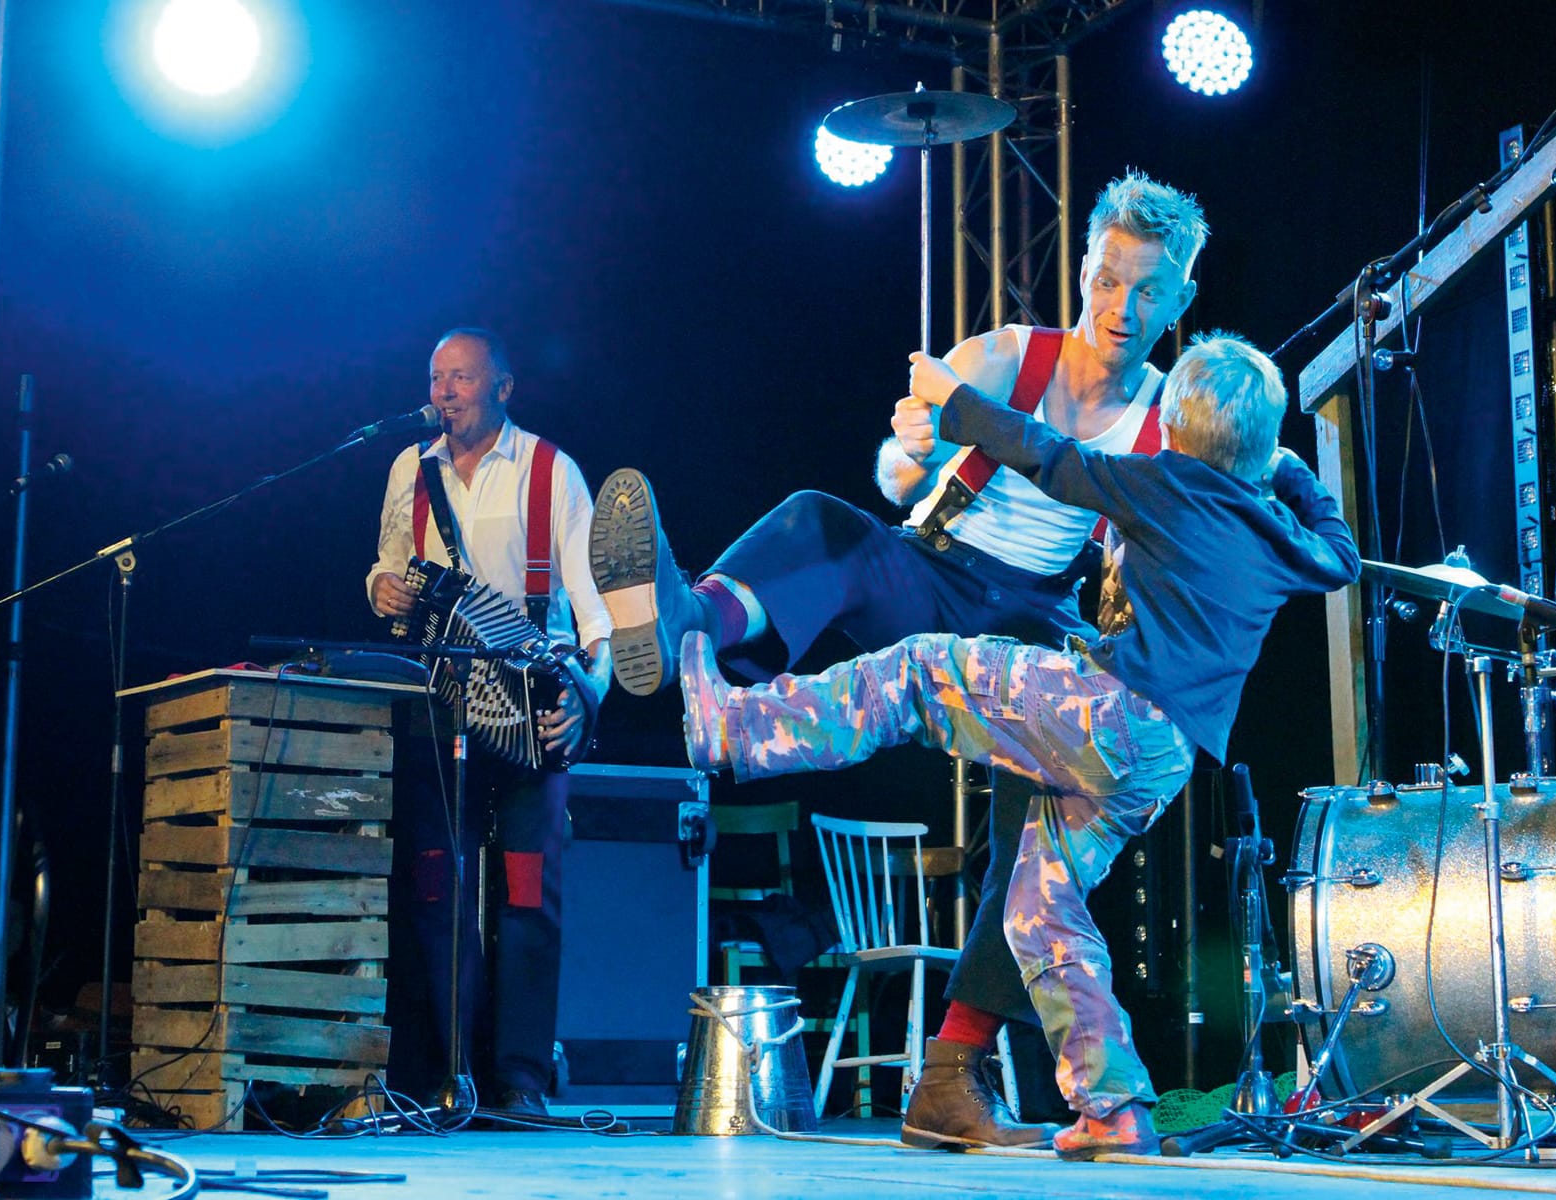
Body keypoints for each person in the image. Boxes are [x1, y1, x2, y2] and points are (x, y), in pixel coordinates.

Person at [588, 171, 1206, 1149]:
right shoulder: (1011, 354)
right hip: (930, 573)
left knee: (1040, 847)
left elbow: (1159, 552)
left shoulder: (1171, 417)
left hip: (1032, 625)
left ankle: (949, 1079)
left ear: (1181, 300)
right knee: (821, 517)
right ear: (1085, 272)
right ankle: (681, 622)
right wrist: (912, 450)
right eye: (1108, 281)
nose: (1123, 308)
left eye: (1148, 290)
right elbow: (894, 469)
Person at [675, 333, 1358, 1158]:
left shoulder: (1167, 483)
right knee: (1041, 908)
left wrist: (953, 401)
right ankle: (1112, 1108)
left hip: (1112, 714)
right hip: (1164, 760)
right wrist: (1286, 471)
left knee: (925, 671)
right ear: (1257, 450)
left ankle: (734, 729)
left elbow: (1051, 456)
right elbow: (1342, 552)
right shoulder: (1284, 537)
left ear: (1173, 430)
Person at [367, 327, 612, 1117]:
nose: (444, 392)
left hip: (534, 711)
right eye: (437, 378)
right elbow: (386, 561)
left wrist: (587, 695)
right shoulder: (410, 468)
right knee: (438, 892)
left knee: (526, 895)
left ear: (503, 386)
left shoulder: (553, 472)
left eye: (462, 378)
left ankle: (520, 1079)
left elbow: (597, 614)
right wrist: (382, 589)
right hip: (439, 706)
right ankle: (445, 1072)